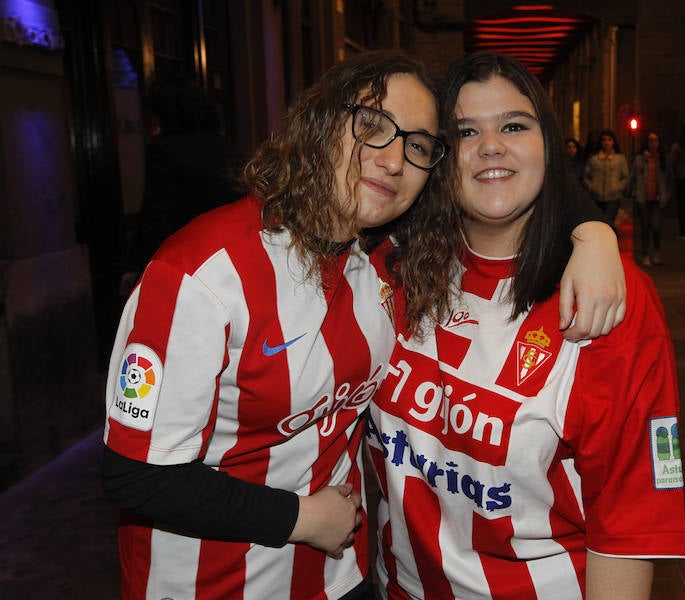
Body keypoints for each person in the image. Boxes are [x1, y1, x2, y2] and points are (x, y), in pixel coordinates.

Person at [101, 50, 627, 599]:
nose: (393, 160)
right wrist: (301, 518)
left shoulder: (386, 259)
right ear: (322, 122)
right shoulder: (203, 275)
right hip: (209, 584)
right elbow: (135, 475)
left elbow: (511, 182)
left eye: (417, 146)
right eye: (372, 127)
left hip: (343, 578)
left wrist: (595, 233)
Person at [366, 52, 685, 600]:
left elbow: (631, 522)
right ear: (439, 156)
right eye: (467, 131)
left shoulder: (608, 300)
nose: (491, 145)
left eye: (514, 125)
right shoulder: (390, 266)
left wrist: (593, 233)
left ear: (550, 146)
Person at [120, 76, 245, 295]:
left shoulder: (165, 151)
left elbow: (156, 215)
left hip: (189, 262)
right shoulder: (224, 146)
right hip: (229, 257)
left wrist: (136, 267)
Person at [629, 132, 669, 267]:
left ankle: (657, 251)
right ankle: (645, 253)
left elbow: (668, 179)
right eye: (650, 140)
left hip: (657, 199)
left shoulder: (662, 159)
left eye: (656, 140)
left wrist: (666, 195)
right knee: (645, 227)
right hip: (643, 198)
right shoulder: (640, 159)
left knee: (656, 227)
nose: (653, 143)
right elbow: (633, 177)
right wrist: (635, 192)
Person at [582, 128, 629, 223]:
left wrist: (618, 187)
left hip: (613, 197)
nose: (606, 142)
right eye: (604, 140)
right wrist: (591, 187)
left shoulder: (619, 159)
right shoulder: (594, 159)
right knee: (599, 222)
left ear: (613, 142)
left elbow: (625, 177)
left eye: (609, 140)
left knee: (608, 222)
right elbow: (586, 176)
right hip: (596, 197)